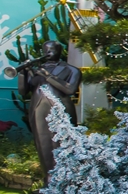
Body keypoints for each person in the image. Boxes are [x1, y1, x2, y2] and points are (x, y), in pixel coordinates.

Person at [15, 41, 81, 182]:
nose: (49, 53)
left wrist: (47, 76)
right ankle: (49, 179)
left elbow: (70, 90)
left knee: (63, 142)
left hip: (61, 108)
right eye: (46, 50)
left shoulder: (71, 70)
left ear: (60, 51)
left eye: (52, 50)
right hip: (38, 108)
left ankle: (67, 178)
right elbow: (23, 91)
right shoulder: (36, 70)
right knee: (42, 142)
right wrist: (23, 73)